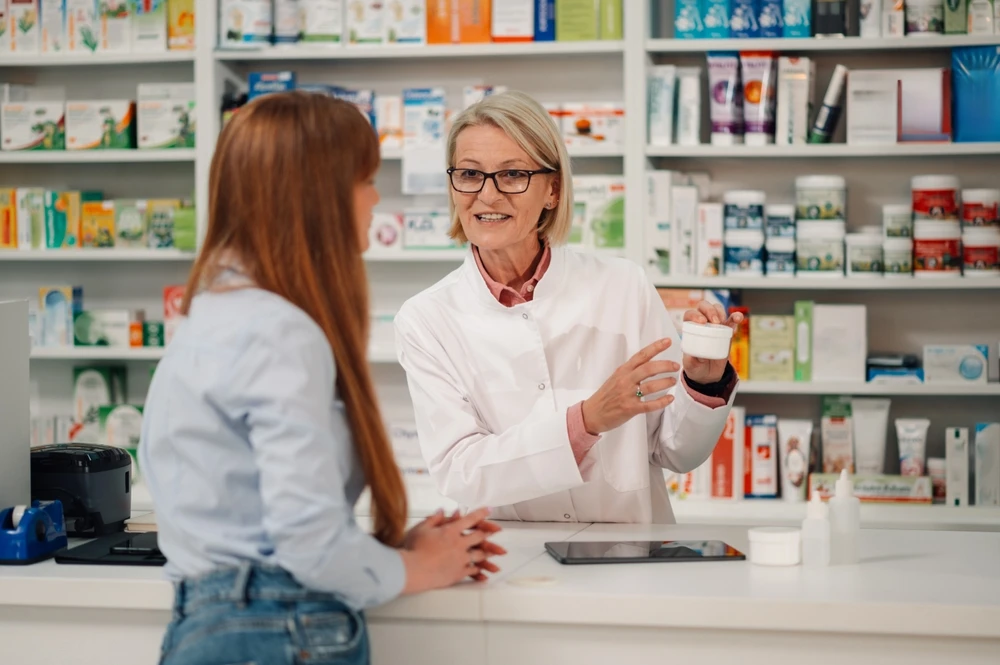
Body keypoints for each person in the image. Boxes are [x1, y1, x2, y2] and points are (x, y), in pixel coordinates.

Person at [139, 92, 503, 665]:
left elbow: (258, 524)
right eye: (364, 180)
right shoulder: (278, 332)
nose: (375, 198)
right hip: (279, 630)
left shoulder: (212, 316)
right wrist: (417, 567)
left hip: (213, 624)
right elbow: (305, 547)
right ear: (317, 198)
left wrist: (382, 553)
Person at [394, 91, 743, 524]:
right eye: (469, 174)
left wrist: (702, 382)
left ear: (553, 190)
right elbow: (461, 471)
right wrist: (587, 420)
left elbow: (677, 451)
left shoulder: (622, 286)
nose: (487, 195)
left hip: (630, 559)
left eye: (512, 174)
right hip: (514, 561)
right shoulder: (426, 319)